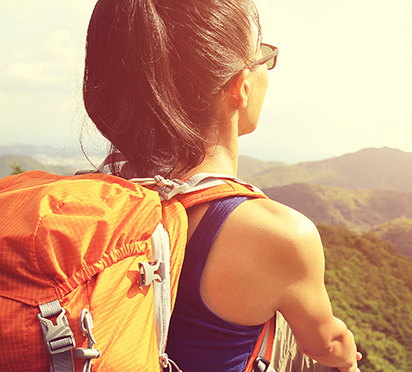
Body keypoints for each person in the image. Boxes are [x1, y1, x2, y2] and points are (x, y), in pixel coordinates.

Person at [82, 1, 362, 371]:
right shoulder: (281, 235)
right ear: (240, 85)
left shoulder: (77, 207)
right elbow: (325, 342)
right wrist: (347, 360)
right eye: (263, 54)